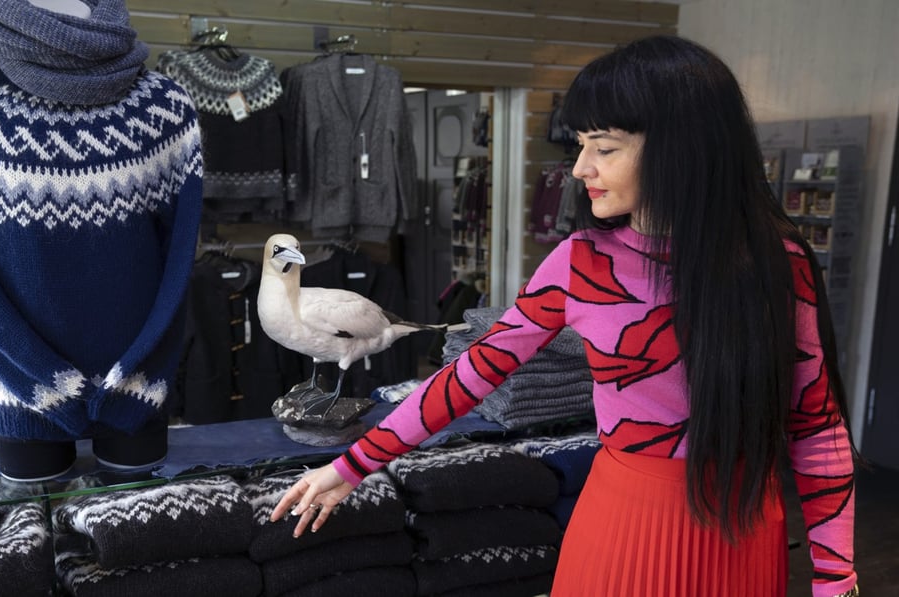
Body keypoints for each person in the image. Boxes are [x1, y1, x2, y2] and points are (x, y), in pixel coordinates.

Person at [270, 35, 858, 597]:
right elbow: (472, 372)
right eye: (580, 145)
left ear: (686, 147)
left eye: (603, 147)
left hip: (742, 532)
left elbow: (816, 427)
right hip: (624, 525)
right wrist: (353, 465)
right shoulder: (582, 260)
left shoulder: (778, 263)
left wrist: (837, 580)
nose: (579, 168)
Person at [0, 0, 203, 480]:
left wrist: (139, 373)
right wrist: (40, 378)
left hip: (137, 382)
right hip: (18, 383)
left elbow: (177, 263)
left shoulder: (164, 104)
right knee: (33, 540)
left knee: (138, 536)